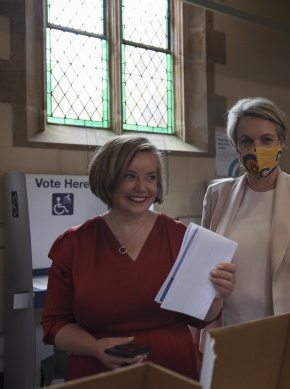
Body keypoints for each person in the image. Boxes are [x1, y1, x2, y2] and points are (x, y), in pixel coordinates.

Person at [41, 135, 236, 381]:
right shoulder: (74, 245)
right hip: (97, 370)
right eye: (129, 176)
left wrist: (216, 296)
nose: (142, 188)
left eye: (150, 177)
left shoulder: (180, 237)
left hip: (170, 369)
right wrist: (94, 348)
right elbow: (54, 324)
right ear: (108, 178)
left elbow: (199, 318)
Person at [201, 97, 290, 326]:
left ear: (281, 141)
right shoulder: (217, 195)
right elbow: (204, 266)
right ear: (235, 146)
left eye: (266, 139)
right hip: (232, 326)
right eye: (246, 140)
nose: (257, 149)